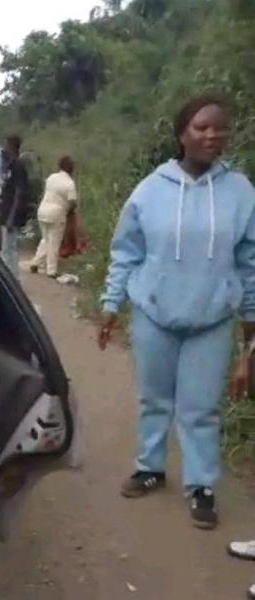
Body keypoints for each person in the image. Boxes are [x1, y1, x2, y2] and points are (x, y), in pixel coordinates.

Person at [98, 95, 255, 530]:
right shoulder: (150, 190)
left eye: (220, 128)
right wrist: (111, 304)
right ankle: (150, 467)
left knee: (201, 408)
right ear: (182, 133)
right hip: (153, 313)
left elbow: (250, 262)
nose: (212, 135)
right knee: (154, 399)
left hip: (212, 318)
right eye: (202, 127)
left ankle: (201, 485)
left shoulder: (240, 192)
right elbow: (127, 252)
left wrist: (250, 325)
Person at [29, 155, 78, 278]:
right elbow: (72, 202)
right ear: (71, 169)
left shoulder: (51, 177)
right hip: (56, 213)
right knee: (54, 242)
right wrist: (69, 211)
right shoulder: (70, 183)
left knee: (45, 239)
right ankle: (51, 270)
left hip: (43, 210)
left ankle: (36, 262)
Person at [0, 134, 29, 278]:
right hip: (6, 212)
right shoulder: (10, 165)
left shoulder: (18, 166)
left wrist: (12, 217)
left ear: (12, 146)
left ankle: (12, 279)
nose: (4, 148)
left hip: (12, 214)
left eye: (6, 145)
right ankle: (9, 277)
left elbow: (19, 192)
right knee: (6, 248)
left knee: (9, 249)